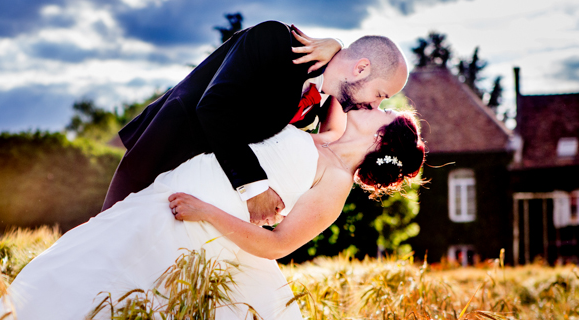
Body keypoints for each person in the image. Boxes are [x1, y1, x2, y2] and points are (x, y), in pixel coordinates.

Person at [0, 107, 426, 320]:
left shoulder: (335, 185)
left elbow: (276, 246)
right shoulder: (330, 128)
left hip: (198, 227)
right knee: (85, 263)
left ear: (380, 139)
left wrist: (206, 211)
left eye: (383, 112)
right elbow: (341, 70)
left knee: (124, 292)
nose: (376, 106)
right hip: (164, 198)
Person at [101, 20, 409, 227]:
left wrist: (339, 46)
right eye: (380, 94)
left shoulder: (323, 104)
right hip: (164, 155)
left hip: (199, 198)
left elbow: (330, 138)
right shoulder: (274, 40)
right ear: (361, 68)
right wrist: (255, 189)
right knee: (105, 242)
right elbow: (214, 107)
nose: (374, 105)